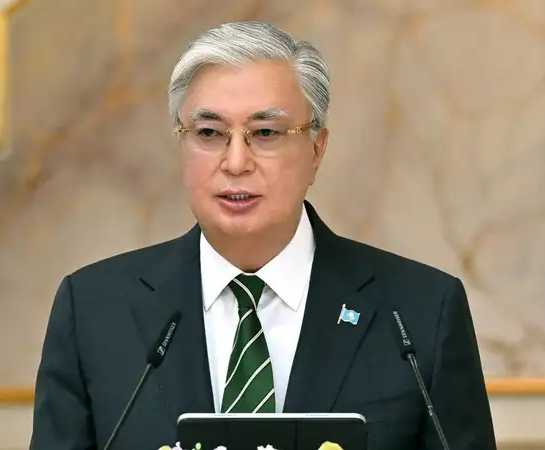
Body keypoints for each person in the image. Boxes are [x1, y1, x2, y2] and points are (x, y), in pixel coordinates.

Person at [30, 21, 497, 450]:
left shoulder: (420, 312)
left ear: (316, 149)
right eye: (209, 132)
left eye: (266, 132)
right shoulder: (93, 310)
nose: (236, 162)